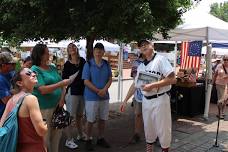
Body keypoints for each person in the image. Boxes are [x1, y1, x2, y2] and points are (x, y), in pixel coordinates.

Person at [134, 40, 176, 152]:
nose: (143, 47)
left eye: (145, 44)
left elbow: (172, 79)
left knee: (163, 130)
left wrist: (154, 85)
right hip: (146, 100)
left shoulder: (161, 59)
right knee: (149, 129)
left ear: (152, 45)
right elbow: (136, 84)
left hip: (160, 98)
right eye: (141, 46)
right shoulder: (141, 66)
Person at [31, 44, 70, 152]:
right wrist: (61, 83)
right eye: (47, 53)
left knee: (57, 136)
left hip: (58, 107)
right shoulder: (35, 70)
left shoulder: (52, 67)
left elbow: (62, 86)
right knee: (45, 138)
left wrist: (62, 99)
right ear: (40, 55)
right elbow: (42, 89)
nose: (49, 54)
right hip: (44, 109)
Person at [0, 68, 48, 152]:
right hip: (33, 148)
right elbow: (41, 131)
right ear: (20, 83)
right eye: (29, 74)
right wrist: (45, 125)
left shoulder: (11, 100)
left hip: (15, 148)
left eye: (33, 72)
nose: (33, 74)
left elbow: (1, 125)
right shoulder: (30, 99)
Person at [82, 43, 112, 151]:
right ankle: (88, 139)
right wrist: (98, 90)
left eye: (100, 51)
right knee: (90, 119)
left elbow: (110, 79)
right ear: (94, 52)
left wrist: (104, 90)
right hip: (91, 97)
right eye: (97, 51)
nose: (98, 53)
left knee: (103, 119)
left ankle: (100, 138)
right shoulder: (88, 64)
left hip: (104, 96)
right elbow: (86, 81)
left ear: (103, 52)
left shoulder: (106, 64)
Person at [62, 43, 86, 149]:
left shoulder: (83, 61)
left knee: (80, 116)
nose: (72, 48)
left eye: (73, 46)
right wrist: (63, 96)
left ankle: (80, 134)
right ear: (68, 51)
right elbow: (64, 81)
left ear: (77, 49)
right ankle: (69, 140)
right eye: (70, 47)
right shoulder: (67, 64)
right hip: (72, 93)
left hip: (83, 92)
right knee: (70, 117)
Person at [120, 53, 144, 144]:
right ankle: (137, 134)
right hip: (139, 96)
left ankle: (156, 136)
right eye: (142, 47)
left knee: (152, 116)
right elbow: (135, 82)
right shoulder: (136, 63)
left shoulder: (155, 61)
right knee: (138, 114)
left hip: (152, 97)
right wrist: (125, 100)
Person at [0, 52, 16, 118]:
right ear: (3, 65)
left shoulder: (9, 74)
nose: (14, 65)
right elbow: (6, 100)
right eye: (12, 64)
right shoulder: (0, 80)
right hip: (2, 116)